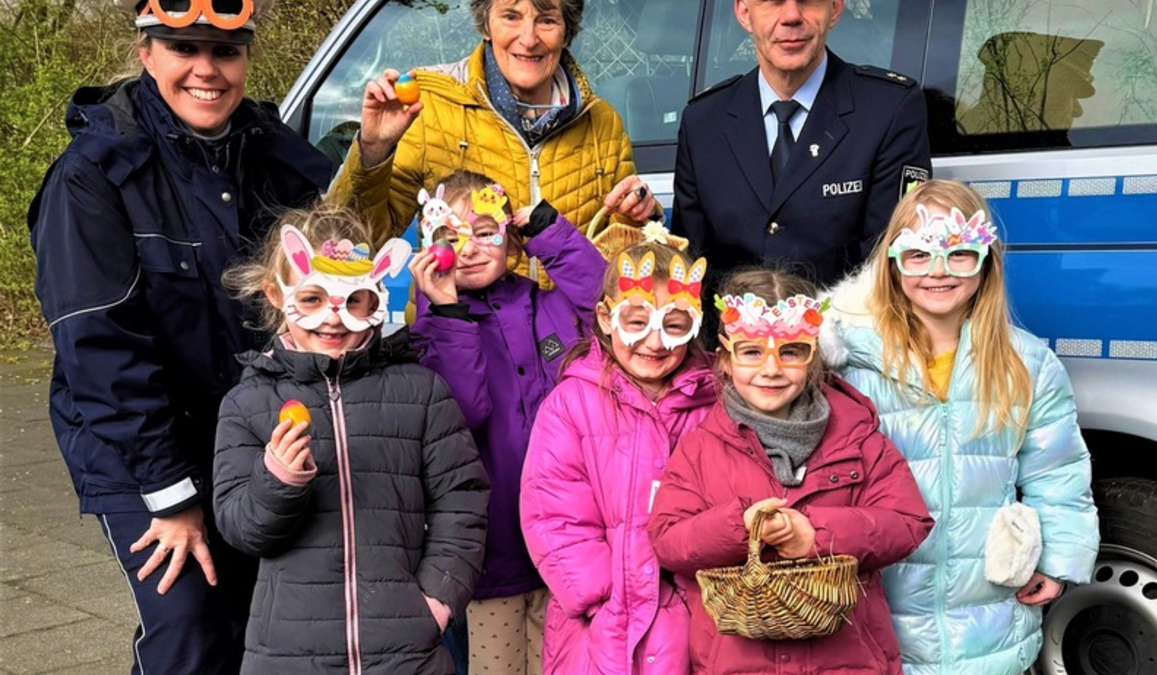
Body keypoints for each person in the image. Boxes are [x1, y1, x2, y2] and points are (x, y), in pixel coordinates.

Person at [26, 1, 332, 672]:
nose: (206, 70)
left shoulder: (272, 154)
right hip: (138, 452)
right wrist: (172, 495)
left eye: (224, 52)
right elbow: (99, 351)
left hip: (242, 441)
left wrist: (368, 155)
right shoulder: (92, 176)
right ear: (146, 54)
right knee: (188, 629)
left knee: (261, 628)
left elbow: (338, 265)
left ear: (246, 57)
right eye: (183, 48)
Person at [828, 179, 1100, 674]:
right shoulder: (850, 362)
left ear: (985, 261)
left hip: (990, 617)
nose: (937, 271)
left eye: (958, 254)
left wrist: (1056, 558)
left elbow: (1057, 472)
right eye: (918, 255)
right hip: (879, 612)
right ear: (892, 262)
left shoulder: (1027, 363)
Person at [213, 205, 489, 674]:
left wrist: (437, 600)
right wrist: (278, 480)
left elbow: (462, 501)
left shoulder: (420, 391)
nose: (334, 319)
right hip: (289, 653)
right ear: (276, 294)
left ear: (376, 295)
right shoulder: (247, 403)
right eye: (313, 298)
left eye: (354, 300)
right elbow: (242, 529)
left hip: (407, 650)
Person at [647, 268, 934, 674]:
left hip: (848, 661)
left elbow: (908, 522)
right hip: (737, 663)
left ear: (812, 357)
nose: (771, 369)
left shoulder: (858, 436)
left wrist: (816, 535)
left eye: (790, 351)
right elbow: (668, 540)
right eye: (751, 352)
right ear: (726, 360)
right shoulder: (699, 448)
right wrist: (739, 527)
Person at [406, 169, 606, 674]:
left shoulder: (548, 306)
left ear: (511, 239)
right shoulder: (433, 329)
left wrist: (547, 229)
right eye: (450, 237)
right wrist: (446, 310)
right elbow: (463, 411)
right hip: (492, 552)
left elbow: (605, 299)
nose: (469, 248)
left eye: (484, 231)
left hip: (569, 545)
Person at [327, 0, 661, 283]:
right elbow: (356, 245)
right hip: (459, 344)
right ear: (486, 23)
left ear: (566, 31)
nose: (528, 40)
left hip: (570, 349)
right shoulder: (429, 108)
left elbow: (617, 272)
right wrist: (373, 150)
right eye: (511, 16)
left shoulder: (603, 122)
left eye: (546, 20)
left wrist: (637, 218)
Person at [519, 242, 716, 675]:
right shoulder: (570, 404)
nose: (655, 341)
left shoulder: (716, 403)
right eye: (637, 322)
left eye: (674, 325)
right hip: (601, 627)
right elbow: (553, 513)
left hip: (699, 617)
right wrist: (602, 596)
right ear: (607, 319)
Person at [671, 0, 932, 299]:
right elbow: (691, 270)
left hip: (844, 339)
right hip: (731, 340)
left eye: (807, 1)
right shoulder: (703, 122)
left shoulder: (889, 110)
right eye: (773, 2)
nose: (792, 16)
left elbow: (888, 265)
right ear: (744, 12)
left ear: (834, 8)